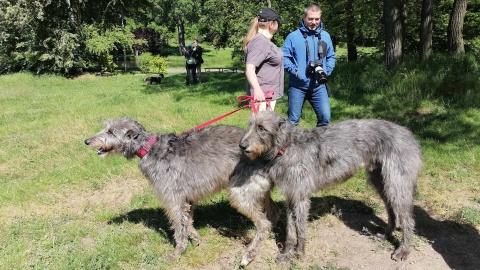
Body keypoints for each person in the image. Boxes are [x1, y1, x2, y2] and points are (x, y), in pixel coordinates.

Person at [282, 4, 336, 126]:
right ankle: (290, 145)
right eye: (310, 19)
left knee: (325, 118)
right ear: (304, 17)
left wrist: (326, 71)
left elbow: (331, 56)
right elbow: (284, 57)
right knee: (293, 121)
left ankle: (319, 144)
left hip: (319, 85)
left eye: (317, 19)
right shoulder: (293, 37)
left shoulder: (325, 36)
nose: (314, 22)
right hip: (297, 86)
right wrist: (296, 72)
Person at [243, 7, 285, 111]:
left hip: (267, 96)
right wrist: (257, 90)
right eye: (277, 23)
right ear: (271, 24)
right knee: (262, 127)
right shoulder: (260, 42)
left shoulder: (264, 40)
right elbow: (250, 68)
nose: (278, 26)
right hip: (262, 97)